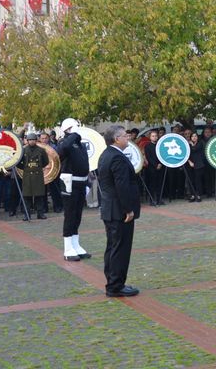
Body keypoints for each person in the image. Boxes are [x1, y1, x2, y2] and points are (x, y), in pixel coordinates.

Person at [97, 125, 141, 298]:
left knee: (113, 247)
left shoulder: (106, 154)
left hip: (110, 208)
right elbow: (121, 186)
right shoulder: (117, 158)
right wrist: (128, 209)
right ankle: (116, 285)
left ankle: (113, 281)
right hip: (119, 210)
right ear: (116, 139)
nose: (128, 138)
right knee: (120, 248)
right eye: (125, 135)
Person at [57, 118, 92, 262]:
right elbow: (62, 150)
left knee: (77, 215)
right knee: (70, 215)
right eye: (76, 127)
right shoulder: (66, 142)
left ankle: (75, 245)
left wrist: (88, 182)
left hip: (81, 182)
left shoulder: (79, 144)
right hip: (69, 182)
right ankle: (67, 248)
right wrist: (72, 134)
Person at [21, 133, 49, 220]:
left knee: (39, 196)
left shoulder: (41, 150)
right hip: (27, 175)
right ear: (27, 141)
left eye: (33, 140)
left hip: (38, 175)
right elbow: (18, 163)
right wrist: (25, 168)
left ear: (36, 140)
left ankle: (40, 213)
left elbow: (46, 161)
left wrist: (39, 167)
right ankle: (27, 214)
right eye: (30, 140)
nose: (31, 141)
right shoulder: (24, 150)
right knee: (27, 196)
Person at [143, 130, 163, 206]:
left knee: (159, 184)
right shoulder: (147, 146)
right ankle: (152, 200)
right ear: (150, 137)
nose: (154, 137)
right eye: (153, 136)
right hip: (152, 168)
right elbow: (149, 157)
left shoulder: (159, 145)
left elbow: (162, 155)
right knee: (152, 184)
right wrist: (155, 165)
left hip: (160, 166)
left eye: (156, 136)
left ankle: (159, 199)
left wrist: (160, 163)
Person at [188, 132, 205, 202]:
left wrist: (192, 145)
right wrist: (190, 162)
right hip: (190, 164)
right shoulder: (188, 145)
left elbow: (195, 149)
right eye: (192, 136)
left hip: (199, 164)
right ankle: (192, 195)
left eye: (195, 136)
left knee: (198, 181)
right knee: (191, 180)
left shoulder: (200, 143)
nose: (194, 137)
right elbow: (187, 154)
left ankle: (198, 195)